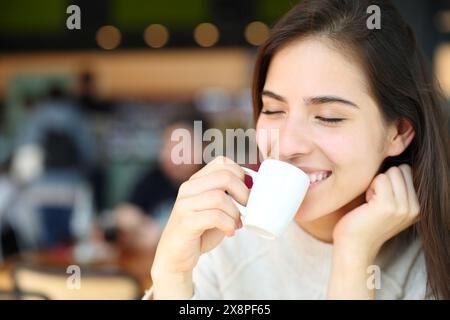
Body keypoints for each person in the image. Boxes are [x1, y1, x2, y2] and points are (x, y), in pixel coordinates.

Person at [148, 0, 450, 299]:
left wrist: (353, 255)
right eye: (273, 110)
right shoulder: (221, 237)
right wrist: (171, 278)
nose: (288, 144)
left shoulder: (431, 263)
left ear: (398, 132)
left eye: (328, 117)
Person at [114, 112, 208, 252]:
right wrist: (137, 224)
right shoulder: (153, 178)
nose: (173, 156)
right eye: (167, 146)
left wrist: (162, 235)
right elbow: (124, 214)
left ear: (204, 148)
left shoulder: (212, 182)